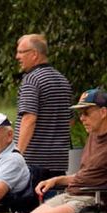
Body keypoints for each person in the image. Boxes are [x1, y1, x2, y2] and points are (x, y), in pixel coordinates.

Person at [14, 34, 73, 181]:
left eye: (21, 52)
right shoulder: (63, 80)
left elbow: (29, 119)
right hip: (58, 164)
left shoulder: (32, 80)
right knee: (50, 202)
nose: (17, 56)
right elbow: (69, 121)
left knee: (28, 204)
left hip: (33, 163)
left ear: (34, 54)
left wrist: (16, 156)